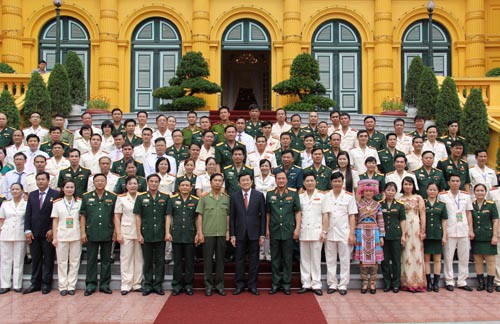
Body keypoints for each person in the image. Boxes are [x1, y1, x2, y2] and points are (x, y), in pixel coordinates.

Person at [80, 173, 117, 296]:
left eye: (102, 181)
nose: (100, 183)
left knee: (106, 260)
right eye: (97, 181)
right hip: (92, 232)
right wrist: (82, 232)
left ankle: (105, 285)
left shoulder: (112, 197)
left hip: (107, 232)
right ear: (93, 183)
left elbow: (114, 216)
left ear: (106, 182)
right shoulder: (86, 197)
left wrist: (116, 231)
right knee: (91, 260)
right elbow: (83, 215)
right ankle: (91, 285)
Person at [230, 173, 266, 295]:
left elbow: (263, 217)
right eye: (242, 180)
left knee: (254, 260)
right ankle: (239, 284)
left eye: (247, 180)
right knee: (239, 260)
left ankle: (252, 285)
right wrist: (232, 235)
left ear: (251, 181)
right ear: (239, 183)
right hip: (239, 233)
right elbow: (232, 217)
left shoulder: (259, 196)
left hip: (255, 233)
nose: (245, 182)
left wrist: (262, 234)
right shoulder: (234, 196)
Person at [23, 172, 59, 294]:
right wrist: (27, 230)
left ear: (48, 181)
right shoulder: (32, 195)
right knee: (36, 259)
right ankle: (35, 283)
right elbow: (28, 213)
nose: (41, 182)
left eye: (43, 179)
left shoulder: (55, 194)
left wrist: (51, 229)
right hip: (34, 232)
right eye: (38, 179)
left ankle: (46, 283)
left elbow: (56, 214)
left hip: (48, 233)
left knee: (48, 259)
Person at [266, 171, 301, 295]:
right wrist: (267, 229)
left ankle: (286, 284)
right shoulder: (270, 194)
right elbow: (268, 213)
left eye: (283, 179)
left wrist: (297, 228)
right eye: (278, 179)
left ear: (286, 180)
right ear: (275, 180)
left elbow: (297, 212)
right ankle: (275, 283)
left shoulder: (293, 193)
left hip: (288, 231)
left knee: (287, 259)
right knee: (275, 259)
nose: (281, 181)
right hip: (274, 230)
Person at [195, 173, 230, 296]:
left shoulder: (226, 198)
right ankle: (208, 286)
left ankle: (220, 286)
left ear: (222, 183)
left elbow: (228, 216)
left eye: (220, 181)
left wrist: (227, 231)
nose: (217, 183)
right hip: (207, 233)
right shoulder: (204, 198)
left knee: (221, 261)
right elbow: (199, 216)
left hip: (221, 233)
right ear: (210, 182)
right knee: (208, 261)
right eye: (215, 180)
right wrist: (200, 233)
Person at [323, 172, 357, 295]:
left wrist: (352, 233)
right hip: (330, 232)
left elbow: (352, 216)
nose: (337, 183)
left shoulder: (349, 196)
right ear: (331, 182)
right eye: (334, 181)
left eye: (339, 181)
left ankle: (343, 284)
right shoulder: (326, 196)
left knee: (345, 259)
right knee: (330, 259)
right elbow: (325, 215)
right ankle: (332, 283)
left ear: (342, 182)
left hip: (344, 232)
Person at [134, 174, 169, 296]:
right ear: (147, 183)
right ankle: (148, 284)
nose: (154, 183)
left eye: (156, 181)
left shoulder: (165, 197)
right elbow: (138, 216)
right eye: (151, 181)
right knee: (147, 261)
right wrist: (139, 234)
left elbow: (167, 216)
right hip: (146, 233)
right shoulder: (141, 197)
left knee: (160, 261)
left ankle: (158, 285)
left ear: (159, 183)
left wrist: (167, 232)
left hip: (160, 233)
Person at [439, 173, 474, 291]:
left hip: (463, 229)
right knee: (448, 256)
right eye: (452, 181)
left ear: (460, 183)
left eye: (457, 181)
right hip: (449, 229)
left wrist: (471, 229)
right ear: (448, 182)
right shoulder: (442, 196)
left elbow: (469, 213)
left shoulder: (466, 195)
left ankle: (462, 281)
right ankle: (449, 280)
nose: (455, 183)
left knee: (464, 256)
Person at [166, 179, 199, 296]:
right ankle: (177, 285)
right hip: (177, 234)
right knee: (178, 262)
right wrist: (167, 232)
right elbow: (169, 216)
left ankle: (189, 285)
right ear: (179, 187)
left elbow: (197, 218)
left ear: (191, 188)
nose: (185, 187)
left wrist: (198, 233)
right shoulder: (172, 199)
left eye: (187, 185)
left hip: (190, 234)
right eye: (182, 185)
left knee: (190, 262)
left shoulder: (195, 200)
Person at [51, 180, 82, 296]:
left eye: (72, 187)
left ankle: (71, 285)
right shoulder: (57, 203)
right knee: (62, 262)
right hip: (62, 235)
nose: (69, 189)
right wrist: (54, 237)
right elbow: (55, 221)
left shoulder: (79, 202)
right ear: (62, 189)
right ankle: (63, 286)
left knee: (74, 262)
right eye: (67, 187)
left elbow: (82, 219)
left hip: (76, 235)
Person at [354, 179, 385, 294]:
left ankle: (372, 282)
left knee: (374, 259)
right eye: (366, 191)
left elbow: (380, 220)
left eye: (370, 191)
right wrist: (354, 233)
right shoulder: (358, 204)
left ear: (374, 192)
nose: (368, 193)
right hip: (361, 231)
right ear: (362, 192)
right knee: (363, 259)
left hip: (374, 232)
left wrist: (381, 236)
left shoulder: (377, 205)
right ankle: (364, 282)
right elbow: (355, 220)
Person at [114, 176, 143, 295]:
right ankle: (126, 284)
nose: (133, 186)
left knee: (139, 258)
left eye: (135, 183)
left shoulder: (142, 196)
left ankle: (137, 283)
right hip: (126, 231)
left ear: (138, 185)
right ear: (126, 186)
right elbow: (116, 216)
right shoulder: (121, 198)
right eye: (130, 184)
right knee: (126, 258)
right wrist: (118, 233)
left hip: (140, 232)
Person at [399, 176, 426, 292]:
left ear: (413, 186)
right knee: (406, 254)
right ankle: (406, 282)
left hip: (416, 226)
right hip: (405, 228)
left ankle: (418, 282)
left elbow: (423, 214)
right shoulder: (399, 199)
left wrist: (423, 230)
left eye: (410, 184)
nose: (407, 186)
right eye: (405, 184)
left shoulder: (418, 198)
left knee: (418, 254)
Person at [471, 184, 498, 293]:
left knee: (490, 261)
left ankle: (490, 284)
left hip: (488, 236)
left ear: (486, 192)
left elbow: (495, 220)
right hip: (476, 237)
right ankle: (481, 283)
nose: (480, 192)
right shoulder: (471, 205)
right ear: (474, 192)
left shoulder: (491, 205)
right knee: (478, 261)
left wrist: (495, 236)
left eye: (482, 190)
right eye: (477, 190)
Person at [0, 183, 27, 294]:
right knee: (5, 260)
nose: (15, 191)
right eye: (13, 189)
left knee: (18, 260)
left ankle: (17, 284)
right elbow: (1, 219)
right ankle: (5, 285)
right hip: (6, 234)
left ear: (22, 191)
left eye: (17, 189)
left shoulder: (25, 204)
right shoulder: (5, 204)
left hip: (20, 235)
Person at [380, 182, 406, 293]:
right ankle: (387, 283)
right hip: (384, 236)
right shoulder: (380, 204)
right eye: (388, 190)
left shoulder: (400, 205)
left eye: (393, 190)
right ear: (384, 191)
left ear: (396, 192)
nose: (390, 192)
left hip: (396, 235)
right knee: (384, 261)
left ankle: (396, 284)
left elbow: (402, 220)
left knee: (396, 261)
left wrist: (403, 235)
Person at [423, 182, 448, 292]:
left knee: (437, 259)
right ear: (427, 190)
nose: (432, 192)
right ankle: (429, 282)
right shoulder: (423, 203)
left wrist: (444, 235)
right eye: (430, 189)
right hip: (426, 234)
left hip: (437, 234)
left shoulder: (442, 204)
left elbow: (444, 221)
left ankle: (436, 283)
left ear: (438, 191)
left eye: (434, 190)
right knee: (427, 259)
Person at [254, 159, 276, 261]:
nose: (264, 168)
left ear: (270, 168)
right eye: (262, 166)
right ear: (259, 167)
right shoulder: (255, 178)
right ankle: (261, 252)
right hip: (257, 206)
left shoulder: (273, 179)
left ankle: (268, 252)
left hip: (270, 205)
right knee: (259, 229)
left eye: (266, 166)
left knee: (267, 229)